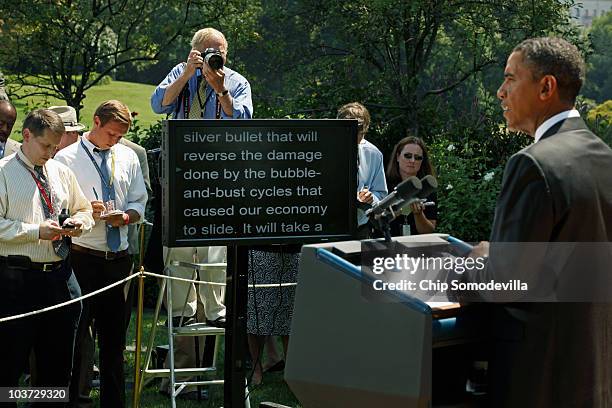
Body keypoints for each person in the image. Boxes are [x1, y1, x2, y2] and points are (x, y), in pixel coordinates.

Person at [457, 37, 612, 407]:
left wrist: (473, 262)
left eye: (510, 78)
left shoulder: (532, 164)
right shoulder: (606, 159)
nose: (500, 92)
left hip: (537, 384)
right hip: (594, 381)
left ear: (546, 87)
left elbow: (507, 283)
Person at [151, 27, 253, 398]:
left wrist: (220, 87)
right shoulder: (181, 72)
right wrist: (189, 75)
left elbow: (242, 119)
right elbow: (158, 105)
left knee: (213, 258)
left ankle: (214, 315)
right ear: (192, 51)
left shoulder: (237, 81)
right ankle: (179, 370)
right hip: (181, 177)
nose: (213, 55)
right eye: (207, 51)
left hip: (220, 176)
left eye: (219, 50)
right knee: (178, 260)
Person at [54, 100, 147, 408]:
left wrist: (126, 216)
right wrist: (83, 212)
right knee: (77, 339)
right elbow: (58, 209)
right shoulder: (66, 158)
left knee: (115, 343)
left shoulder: (129, 157)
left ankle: (113, 403)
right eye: (110, 134)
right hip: (82, 256)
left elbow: (139, 202)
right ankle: (72, 401)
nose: (115, 141)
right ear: (95, 122)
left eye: (120, 136)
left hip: (119, 258)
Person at [0, 109, 94, 405]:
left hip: (59, 279)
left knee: (56, 371)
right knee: (7, 370)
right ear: (26, 135)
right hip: (15, 282)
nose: (52, 153)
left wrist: (81, 223)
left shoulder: (60, 172)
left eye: (56, 146)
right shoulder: (2, 172)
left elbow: (84, 208)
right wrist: (34, 231)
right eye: (46, 146)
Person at [336, 102, 387, 238]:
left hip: (360, 227)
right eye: (348, 128)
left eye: (358, 130)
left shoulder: (373, 154)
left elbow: (381, 194)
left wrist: (371, 198)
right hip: (327, 225)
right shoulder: (323, 150)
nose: (354, 135)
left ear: (366, 128)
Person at [385, 136, 437, 236]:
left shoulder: (427, 188)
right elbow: (376, 222)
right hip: (386, 245)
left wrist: (418, 214)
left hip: (416, 247)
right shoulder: (384, 184)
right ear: (397, 157)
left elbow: (428, 232)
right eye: (408, 156)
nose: (412, 161)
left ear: (422, 162)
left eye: (418, 157)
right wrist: (395, 211)